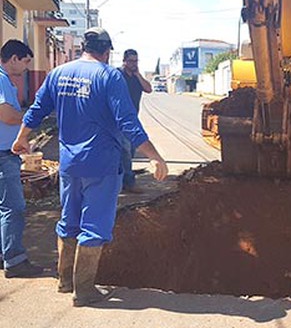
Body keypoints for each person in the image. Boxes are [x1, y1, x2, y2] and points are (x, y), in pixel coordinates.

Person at [12, 27, 168, 307]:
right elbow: (127, 122)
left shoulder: (59, 73)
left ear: (84, 46)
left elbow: (36, 109)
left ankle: (65, 281)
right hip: (101, 164)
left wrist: (22, 138)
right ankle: (83, 291)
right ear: (107, 51)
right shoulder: (109, 76)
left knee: (69, 220)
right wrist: (154, 155)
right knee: (94, 225)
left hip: (69, 164)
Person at [0, 39, 43, 278]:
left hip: (6, 152)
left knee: (3, 208)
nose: (26, 67)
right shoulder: (2, 79)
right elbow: (5, 114)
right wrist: (28, 118)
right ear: (14, 58)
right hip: (3, 155)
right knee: (14, 208)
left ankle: (5, 254)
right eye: (25, 61)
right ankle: (15, 261)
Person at [117, 49, 152, 194]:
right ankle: (129, 182)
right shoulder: (118, 75)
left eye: (135, 61)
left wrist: (138, 74)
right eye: (131, 61)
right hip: (119, 119)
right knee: (125, 149)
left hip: (133, 119)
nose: (133, 64)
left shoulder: (136, 78)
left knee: (130, 150)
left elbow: (149, 89)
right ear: (124, 61)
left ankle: (122, 179)